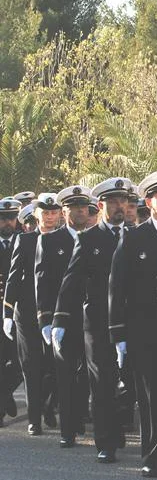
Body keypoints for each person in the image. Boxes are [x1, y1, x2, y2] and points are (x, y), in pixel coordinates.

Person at [53, 178, 133, 464]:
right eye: (112, 202)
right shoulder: (89, 239)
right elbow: (71, 281)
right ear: (101, 206)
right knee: (102, 384)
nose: (119, 206)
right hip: (97, 323)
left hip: (133, 322)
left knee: (131, 383)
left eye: (123, 201)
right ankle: (106, 442)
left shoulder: (137, 236)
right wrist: (59, 320)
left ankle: (117, 426)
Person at [109, 170, 157, 477]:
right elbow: (118, 287)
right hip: (145, 330)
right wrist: (119, 334)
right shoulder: (134, 238)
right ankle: (151, 454)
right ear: (149, 202)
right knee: (149, 395)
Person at [36, 186, 90, 447]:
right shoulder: (50, 241)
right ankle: (67, 430)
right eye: (74, 208)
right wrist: (45, 319)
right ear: (64, 212)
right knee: (65, 375)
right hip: (63, 319)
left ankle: (79, 415)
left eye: (83, 207)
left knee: (87, 376)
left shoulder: (95, 239)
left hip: (92, 317)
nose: (80, 212)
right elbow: (43, 283)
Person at [5, 196, 61, 434]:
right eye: (45, 213)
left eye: (53, 213)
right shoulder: (25, 240)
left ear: (59, 214)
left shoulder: (67, 239)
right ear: (36, 215)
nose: (49, 217)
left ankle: (49, 405)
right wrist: (7, 312)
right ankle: (34, 419)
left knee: (55, 365)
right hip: (27, 312)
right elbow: (14, 276)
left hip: (56, 311)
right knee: (31, 366)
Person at [0, 198, 23, 425]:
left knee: (18, 362)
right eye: (3, 218)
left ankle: (4, 393)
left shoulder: (23, 241)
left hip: (16, 311)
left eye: (11, 218)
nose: (7, 222)